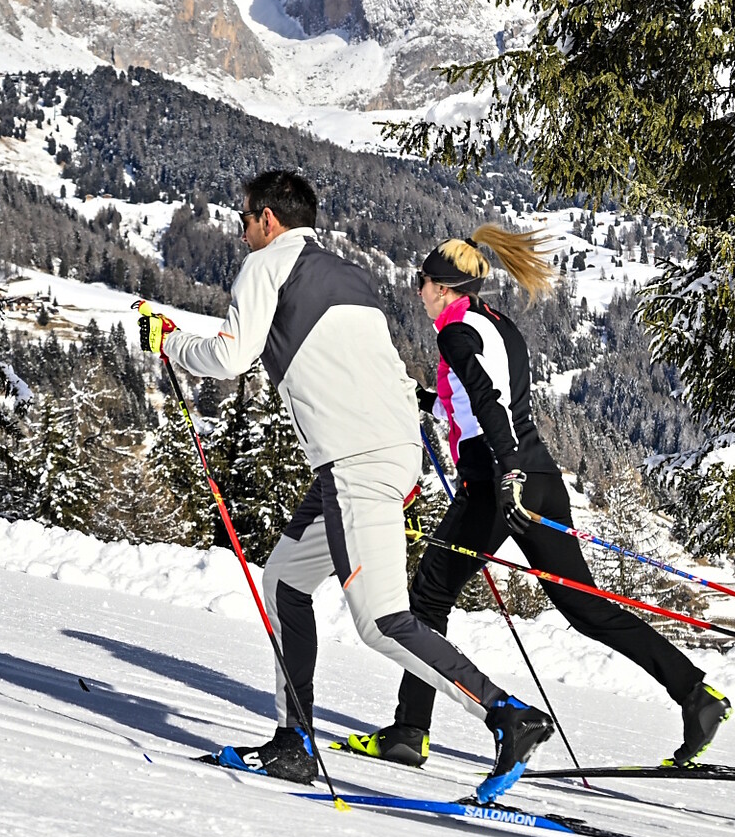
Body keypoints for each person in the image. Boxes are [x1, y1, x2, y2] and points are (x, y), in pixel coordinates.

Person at [137, 171, 553, 804]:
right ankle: (293, 742)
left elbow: (230, 357)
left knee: (381, 623)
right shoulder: (348, 273)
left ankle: (507, 716)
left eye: (244, 216)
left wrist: (171, 340)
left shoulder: (265, 266)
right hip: (374, 458)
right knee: (285, 582)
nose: (242, 226)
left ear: (268, 220)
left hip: (355, 463)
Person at [339, 225, 731, 770]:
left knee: (428, 597)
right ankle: (695, 694)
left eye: (422, 281)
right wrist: (421, 401)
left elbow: (486, 399)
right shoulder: (496, 324)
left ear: (446, 287)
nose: (417, 290)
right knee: (585, 606)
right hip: (538, 475)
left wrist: (508, 473)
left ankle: (409, 732)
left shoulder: (455, 333)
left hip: (501, 482)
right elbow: (476, 407)